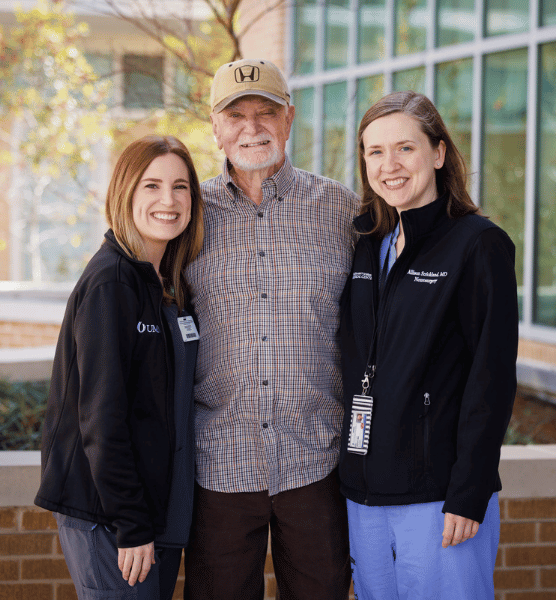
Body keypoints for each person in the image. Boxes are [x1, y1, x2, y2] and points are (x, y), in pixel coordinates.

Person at [183, 58, 358, 600]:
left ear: (289, 119)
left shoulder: (342, 210)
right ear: (215, 126)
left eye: (266, 112)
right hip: (219, 465)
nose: (251, 127)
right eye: (236, 115)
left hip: (316, 463)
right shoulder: (188, 214)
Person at [338, 91, 519, 598]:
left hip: (439, 498)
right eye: (374, 152)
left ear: (438, 153)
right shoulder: (366, 247)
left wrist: (470, 491)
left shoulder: (478, 245)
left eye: (405, 149)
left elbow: (493, 376)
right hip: (364, 496)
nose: (388, 165)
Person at [34, 135, 204, 600]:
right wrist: (131, 523)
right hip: (112, 518)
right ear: (125, 193)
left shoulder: (165, 280)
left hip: (157, 513)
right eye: (151, 186)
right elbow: (101, 416)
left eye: (180, 187)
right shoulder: (112, 281)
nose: (168, 201)